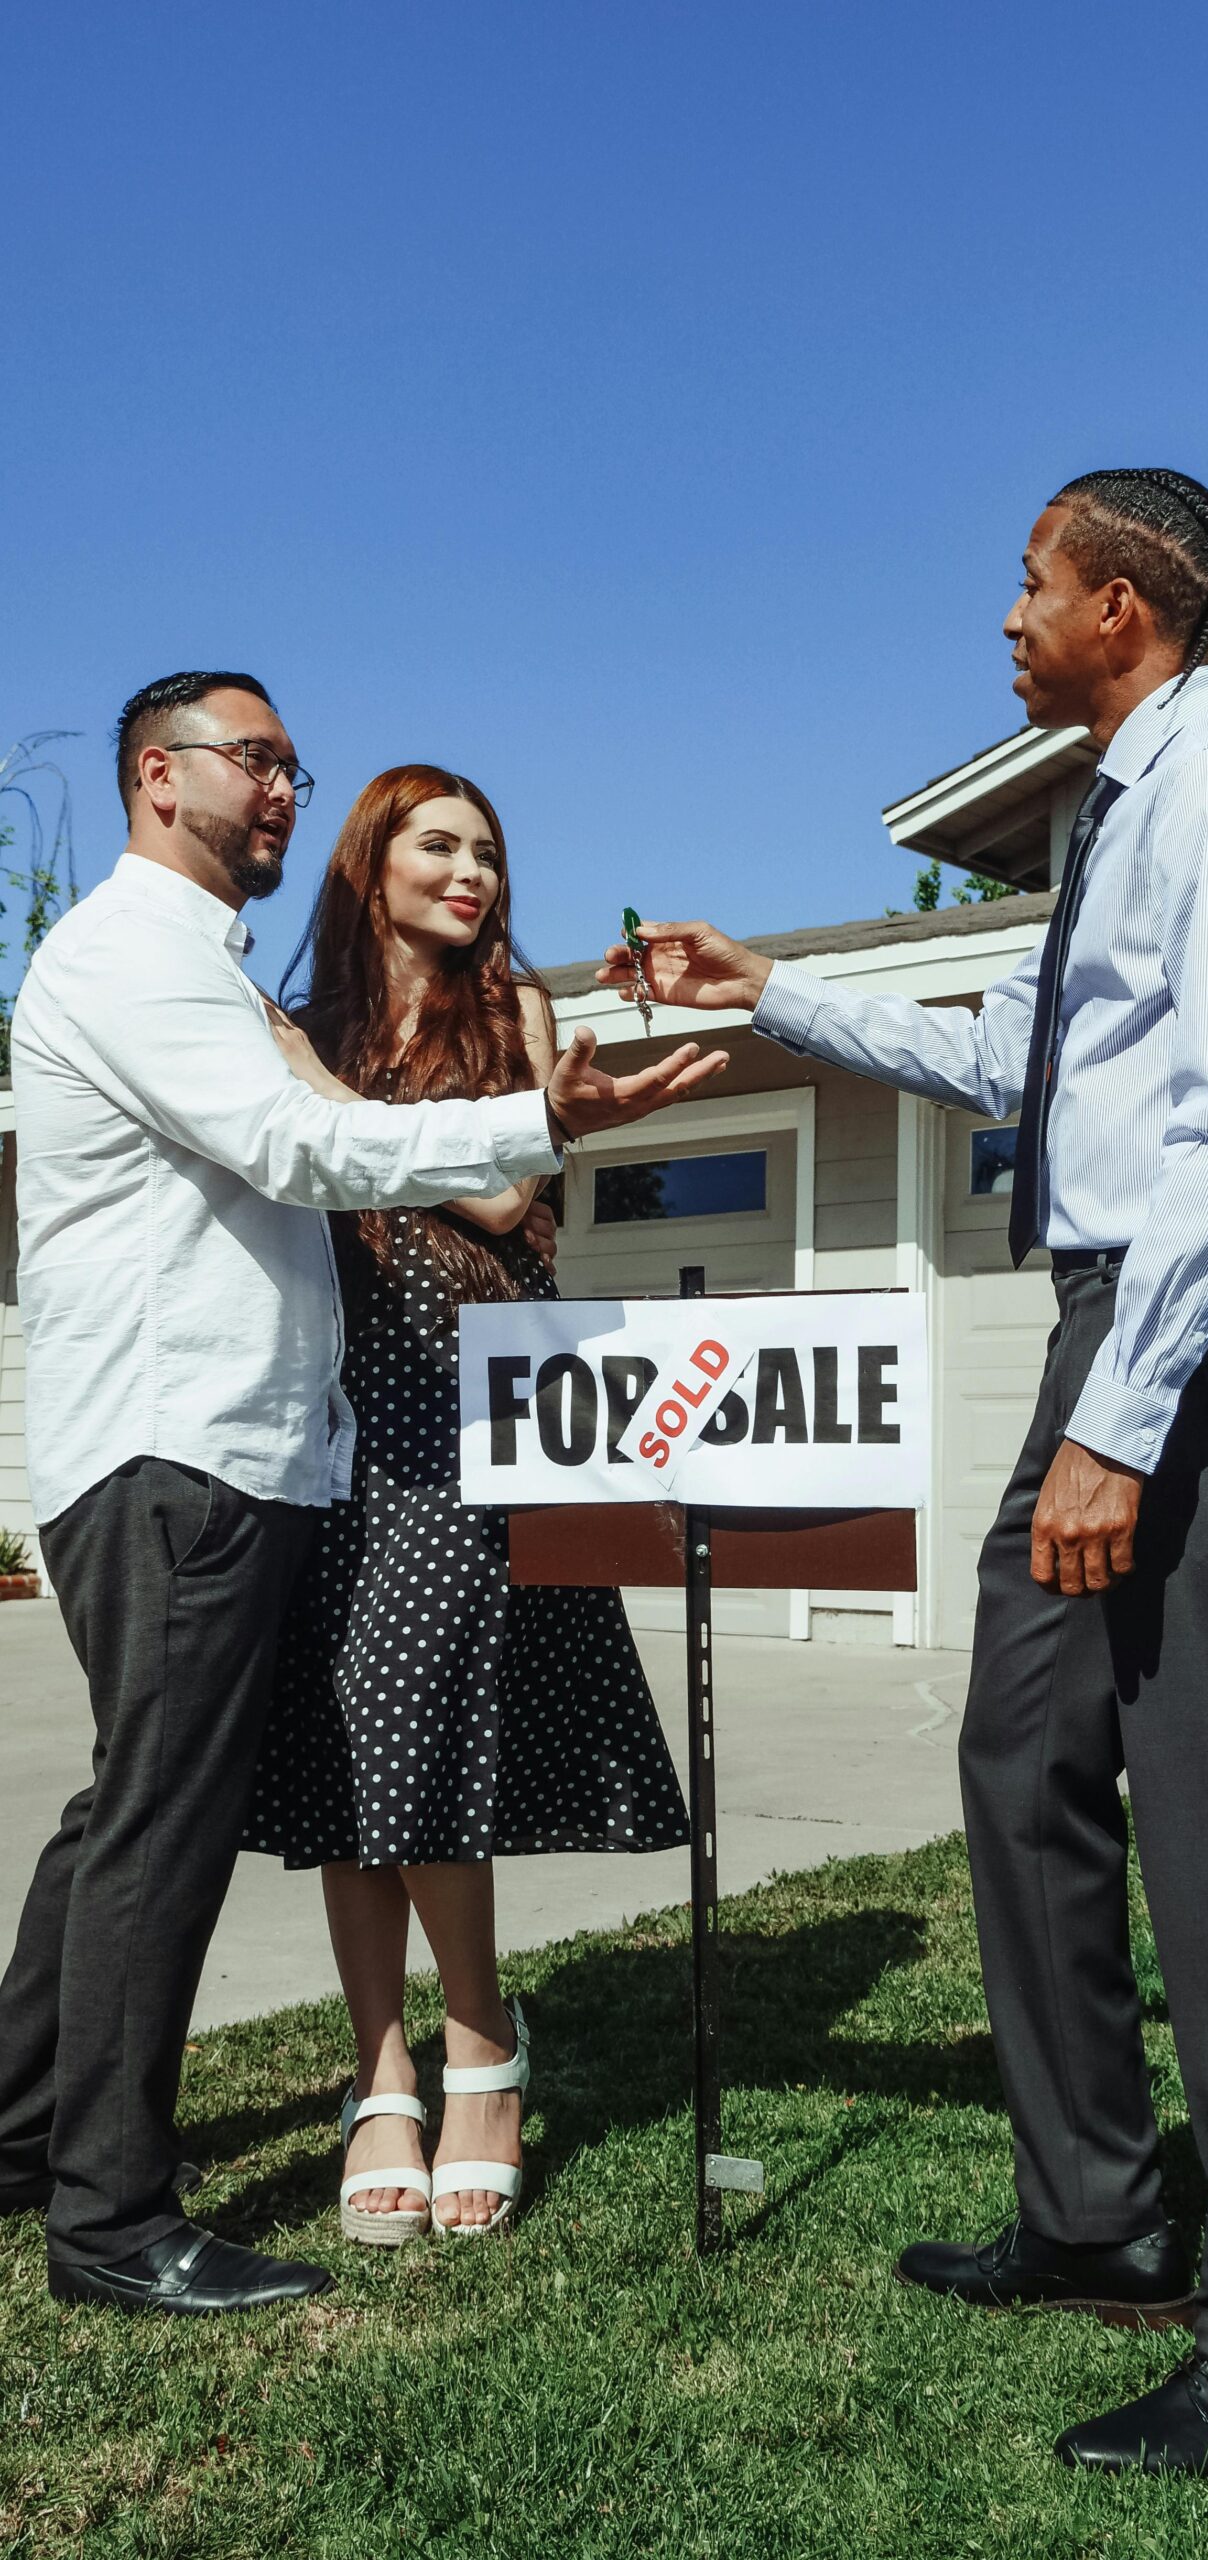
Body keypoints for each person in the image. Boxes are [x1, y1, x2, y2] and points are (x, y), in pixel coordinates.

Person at [596, 470, 1208, 2474]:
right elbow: (1011, 1060)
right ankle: (1094, 2205)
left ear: (1123, 601)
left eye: (1031, 583)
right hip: (1111, 1323)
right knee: (1018, 1749)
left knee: (1206, 1802)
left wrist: (1122, 1420)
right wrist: (762, 988)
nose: (1007, 617)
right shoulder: (1109, 809)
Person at [0, 671, 726, 2317]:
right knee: (156, 1836)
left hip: (246, 1450)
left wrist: (522, 1114)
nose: (277, 788)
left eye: (289, 766)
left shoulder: (203, 965)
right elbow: (301, 1150)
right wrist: (535, 1116)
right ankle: (111, 2220)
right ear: (153, 774)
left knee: (122, 1810)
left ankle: (23, 2136)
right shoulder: (136, 955)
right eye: (251, 761)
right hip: (183, 1450)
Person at [244, 765, 688, 2241]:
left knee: (425, 1728)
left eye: (488, 851)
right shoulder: (300, 1027)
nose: (472, 873)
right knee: (344, 1744)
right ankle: (382, 2069)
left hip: (477, 1399)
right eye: (439, 846)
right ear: (372, 864)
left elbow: (503, 1199)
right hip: (337, 1402)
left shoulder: (516, 1020)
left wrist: (316, 1092)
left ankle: (483, 2043)